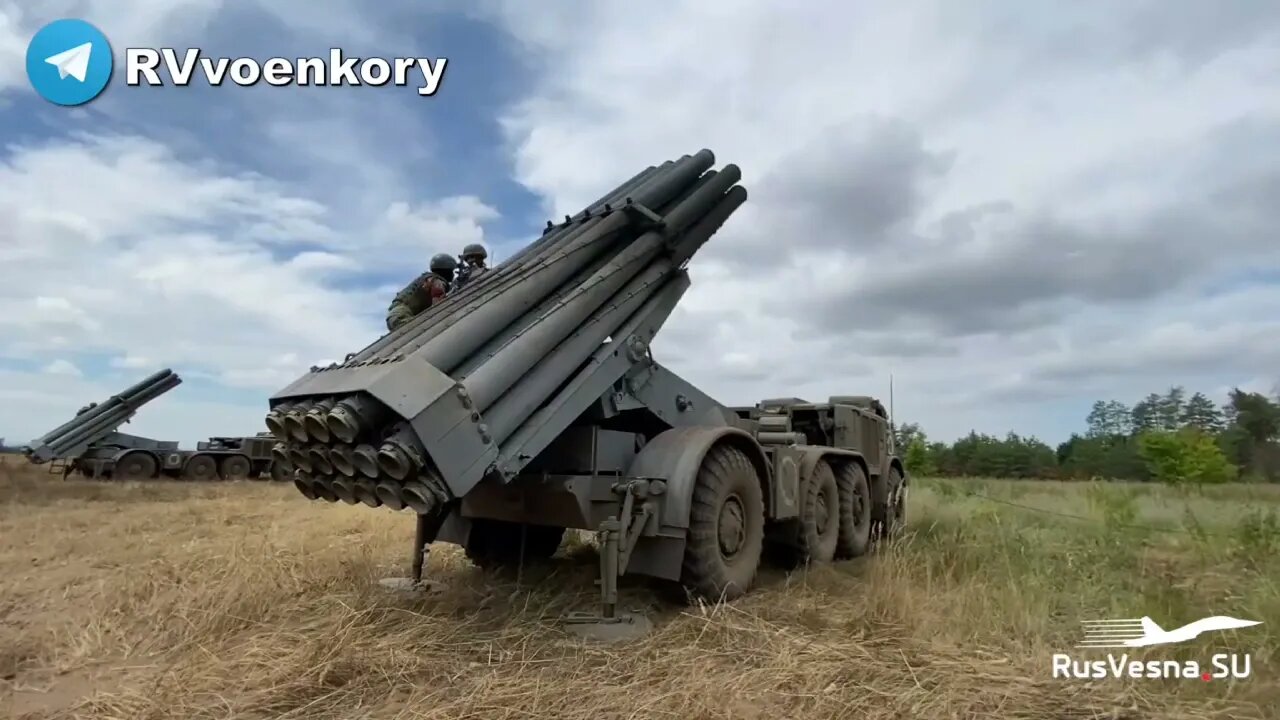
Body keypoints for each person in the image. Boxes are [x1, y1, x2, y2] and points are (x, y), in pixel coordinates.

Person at [385, 253, 457, 331]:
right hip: (403, 315)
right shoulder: (437, 281)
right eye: (452, 271)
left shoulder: (426, 278)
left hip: (395, 315)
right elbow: (438, 306)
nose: (453, 274)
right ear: (447, 270)